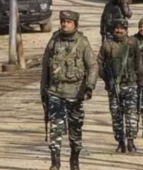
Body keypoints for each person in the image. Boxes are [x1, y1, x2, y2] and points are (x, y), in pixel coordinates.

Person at [40, 10, 98, 170]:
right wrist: (43, 93)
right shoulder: (54, 41)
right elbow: (45, 67)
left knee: (75, 129)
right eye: (63, 21)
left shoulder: (83, 43)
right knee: (55, 129)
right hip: (55, 92)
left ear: (75, 24)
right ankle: (55, 162)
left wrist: (90, 86)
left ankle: (74, 159)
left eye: (68, 21)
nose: (65, 24)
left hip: (75, 93)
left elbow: (93, 66)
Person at [97, 19, 143, 153]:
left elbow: (138, 63)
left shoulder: (133, 43)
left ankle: (131, 141)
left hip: (130, 85)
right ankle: (120, 142)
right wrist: (107, 79)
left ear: (127, 30)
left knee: (131, 115)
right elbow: (99, 64)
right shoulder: (107, 45)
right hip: (113, 87)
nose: (119, 30)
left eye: (122, 28)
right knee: (116, 115)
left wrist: (138, 80)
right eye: (117, 28)